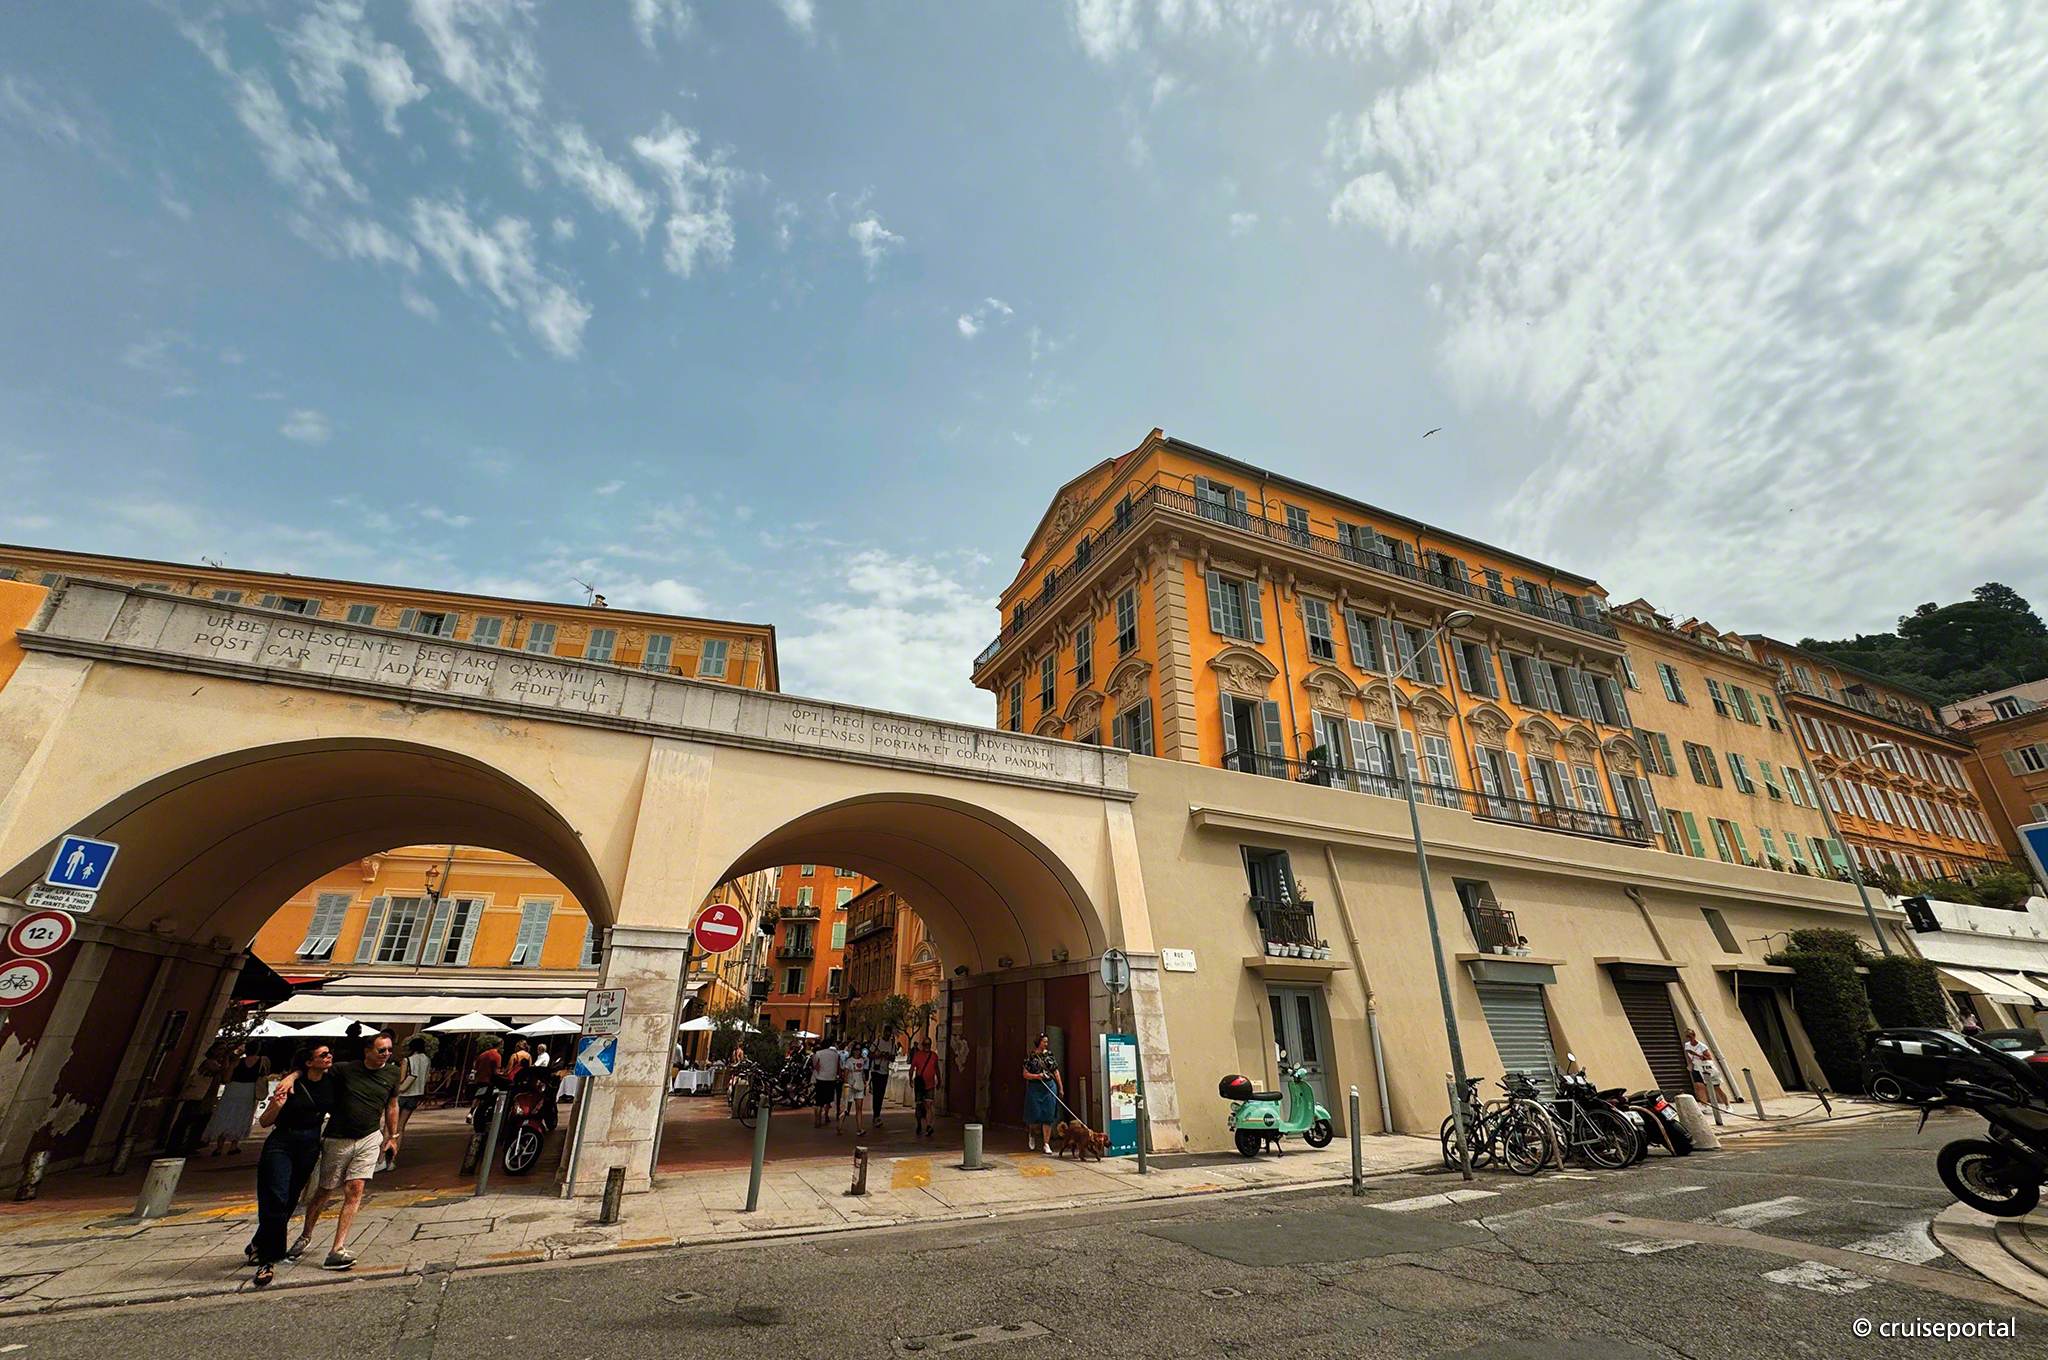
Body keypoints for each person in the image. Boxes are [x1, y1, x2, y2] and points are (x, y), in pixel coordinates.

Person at [292, 1029, 403, 1271]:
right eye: (381, 1050)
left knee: (355, 1188)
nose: (386, 1054)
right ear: (368, 1051)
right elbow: (314, 1069)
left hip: (369, 1137)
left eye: (389, 1050)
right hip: (338, 1138)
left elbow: (392, 1104)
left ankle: (337, 1248)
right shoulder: (345, 1069)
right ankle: (306, 1235)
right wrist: (291, 1077)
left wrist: (392, 1136)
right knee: (325, 1190)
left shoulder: (393, 1072)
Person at [245, 1041, 334, 1288]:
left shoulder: (331, 1082)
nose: (329, 1057)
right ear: (309, 1062)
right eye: (323, 1054)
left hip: (309, 1144)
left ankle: (258, 1243)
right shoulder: (291, 1085)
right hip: (281, 1142)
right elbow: (264, 1122)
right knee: (276, 1197)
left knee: (290, 1199)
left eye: (329, 1053)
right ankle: (268, 1260)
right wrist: (277, 1104)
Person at [202, 1042, 269, 1156]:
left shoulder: (237, 1061)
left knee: (225, 1115)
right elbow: (264, 1074)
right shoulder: (263, 1061)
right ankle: (233, 1146)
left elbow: (226, 1079)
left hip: (233, 1089)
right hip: (249, 1090)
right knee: (242, 1116)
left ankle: (219, 1147)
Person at [166, 1042, 231, 1155]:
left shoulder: (215, 1063)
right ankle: (179, 1146)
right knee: (189, 1121)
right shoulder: (209, 1062)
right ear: (213, 1050)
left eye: (224, 1050)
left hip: (207, 1098)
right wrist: (227, 1059)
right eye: (220, 1049)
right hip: (199, 1097)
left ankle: (191, 1145)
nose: (222, 1052)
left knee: (200, 1122)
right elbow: (222, 1071)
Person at [1024, 1034, 1062, 1154]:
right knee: (1034, 1116)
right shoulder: (1030, 1057)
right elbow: (1025, 1074)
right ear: (1038, 1042)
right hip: (1035, 1088)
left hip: (1049, 1087)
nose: (1046, 1044)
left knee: (1048, 1116)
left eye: (1047, 1042)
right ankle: (1032, 1135)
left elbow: (1056, 1072)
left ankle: (1046, 1143)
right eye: (1044, 1042)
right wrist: (1037, 1076)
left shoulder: (1049, 1055)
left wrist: (1060, 1087)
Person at [395, 1036, 431, 1137]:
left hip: (403, 1094)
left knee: (391, 1125)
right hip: (416, 1094)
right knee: (401, 1127)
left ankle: (385, 1145)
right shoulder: (427, 1060)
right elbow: (426, 1077)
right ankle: (397, 1146)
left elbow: (401, 1079)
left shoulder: (407, 1060)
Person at [1682, 1029, 1727, 1110]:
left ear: (1694, 1036)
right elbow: (1689, 1056)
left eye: (1690, 1036)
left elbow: (1709, 1057)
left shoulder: (1702, 1046)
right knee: (1699, 1087)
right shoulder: (1687, 1045)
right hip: (1696, 1067)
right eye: (1687, 1037)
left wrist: (1699, 1055)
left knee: (1716, 1087)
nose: (1689, 1039)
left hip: (1705, 1067)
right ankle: (1704, 1105)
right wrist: (1690, 1064)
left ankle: (1727, 1104)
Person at [909, 1039, 941, 1138]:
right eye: (925, 1044)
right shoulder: (917, 1055)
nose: (927, 1046)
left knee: (928, 1105)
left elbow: (937, 1068)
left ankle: (928, 1126)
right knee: (918, 1106)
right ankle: (919, 1124)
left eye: (929, 1044)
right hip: (920, 1085)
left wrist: (939, 1080)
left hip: (930, 1085)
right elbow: (912, 1068)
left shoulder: (934, 1056)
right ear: (922, 1045)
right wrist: (910, 1079)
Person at [811, 1038, 842, 1129]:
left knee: (818, 1101)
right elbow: (839, 1067)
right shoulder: (836, 1054)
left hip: (821, 1078)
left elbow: (816, 1066)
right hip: (832, 1079)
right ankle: (826, 1115)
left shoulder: (818, 1053)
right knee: (828, 1099)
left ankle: (817, 1120)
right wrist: (838, 1076)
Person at [869, 1034, 897, 1128]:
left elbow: (893, 1058)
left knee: (881, 1094)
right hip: (875, 1071)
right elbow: (870, 1054)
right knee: (876, 1093)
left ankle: (877, 1114)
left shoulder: (892, 1045)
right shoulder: (877, 1041)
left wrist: (887, 1056)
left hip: (884, 1072)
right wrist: (879, 1055)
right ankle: (876, 1115)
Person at [844, 1043, 870, 1136]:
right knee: (846, 1107)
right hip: (850, 1086)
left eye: (859, 1049)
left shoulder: (862, 1061)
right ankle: (840, 1125)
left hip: (859, 1086)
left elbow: (862, 1073)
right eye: (856, 1049)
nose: (857, 1051)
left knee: (859, 1108)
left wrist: (864, 1083)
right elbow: (846, 1073)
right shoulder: (849, 1061)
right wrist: (846, 1085)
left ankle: (859, 1128)